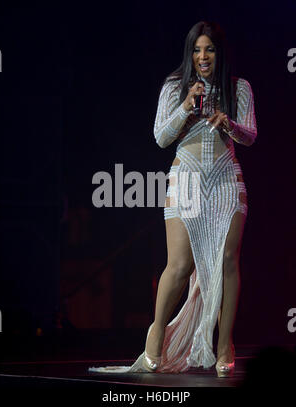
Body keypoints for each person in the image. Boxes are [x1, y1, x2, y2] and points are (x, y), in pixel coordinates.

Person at [89, 21, 257, 377]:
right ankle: (155, 341)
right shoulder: (174, 86)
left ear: (219, 52)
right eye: (196, 50)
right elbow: (161, 138)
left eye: (209, 49)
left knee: (227, 262)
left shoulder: (239, 88)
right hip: (187, 178)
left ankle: (224, 344)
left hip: (226, 179)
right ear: (189, 54)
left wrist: (228, 124)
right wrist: (185, 106)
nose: (202, 57)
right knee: (179, 265)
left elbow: (250, 136)